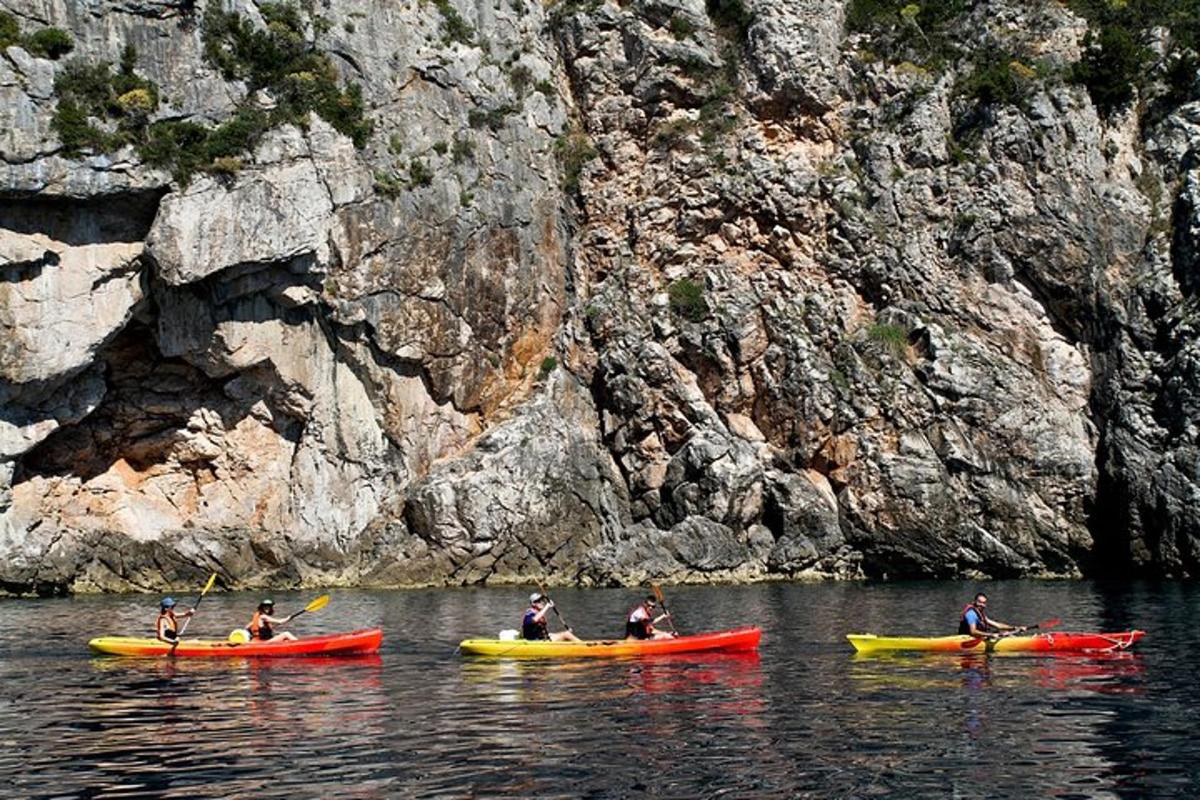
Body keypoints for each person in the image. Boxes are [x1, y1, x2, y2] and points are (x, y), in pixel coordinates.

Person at [958, 592, 1026, 639]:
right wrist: (991, 635)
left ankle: (1022, 641)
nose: (982, 605)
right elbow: (973, 631)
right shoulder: (971, 614)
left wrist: (1015, 628)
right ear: (974, 602)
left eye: (984, 603)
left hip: (979, 637)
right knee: (1001, 634)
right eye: (979, 602)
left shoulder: (981, 614)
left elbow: (998, 626)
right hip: (966, 638)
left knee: (1004, 633)